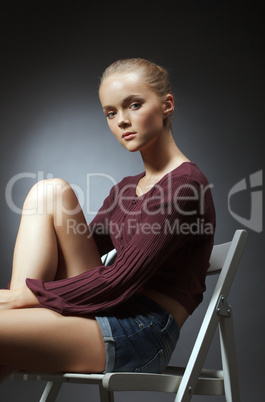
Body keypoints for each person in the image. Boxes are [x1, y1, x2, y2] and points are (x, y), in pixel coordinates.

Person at [0, 58, 215, 381]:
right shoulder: (126, 189)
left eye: (134, 105)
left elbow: (118, 280)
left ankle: (14, 314)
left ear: (167, 105)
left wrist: (18, 297)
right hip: (107, 311)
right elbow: (76, 245)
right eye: (111, 113)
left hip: (142, 332)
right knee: (50, 192)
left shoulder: (184, 185)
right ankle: (16, 320)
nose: (122, 121)